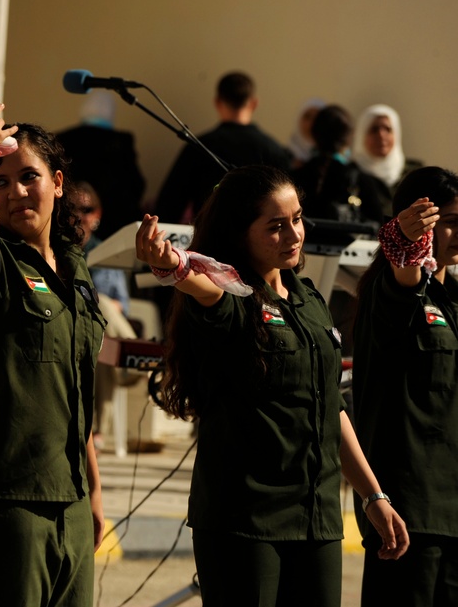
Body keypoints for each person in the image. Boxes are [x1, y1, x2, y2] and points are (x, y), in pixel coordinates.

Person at [136, 165, 408, 606]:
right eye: (276, 226)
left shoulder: (309, 300)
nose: (294, 235)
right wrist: (171, 265)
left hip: (316, 517)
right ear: (240, 232)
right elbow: (203, 286)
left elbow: (330, 408)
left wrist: (372, 494)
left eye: (297, 219)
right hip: (245, 520)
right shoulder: (232, 293)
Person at [0, 96, 105, 606]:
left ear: (58, 183)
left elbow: (72, 388)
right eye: (1, 181)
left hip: (70, 497)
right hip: (5, 498)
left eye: (29, 177)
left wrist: (94, 492)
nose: (15, 192)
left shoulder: (76, 269)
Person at [352, 166, 458, 607]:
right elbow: (404, 280)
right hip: (411, 514)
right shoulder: (394, 289)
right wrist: (404, 244)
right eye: (447, 221)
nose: (456, 233)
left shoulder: (453, 298)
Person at [155, 71, 291, 223]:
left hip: (209, 240)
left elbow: (169, 204)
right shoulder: (273, 150)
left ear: (218, 102)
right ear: (254, 103)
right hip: (260, 243)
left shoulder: (199, 147)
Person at [72, 181, 140, 451]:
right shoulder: (57, 247)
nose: (79, 215)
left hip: (100, 331)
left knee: (103, 347)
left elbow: (123, 304)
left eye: (86, 209)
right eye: (72, 208)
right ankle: (134, 359)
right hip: (71, 323)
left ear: (97, 215)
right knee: (99, 307)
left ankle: (95, 431)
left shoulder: (108, 251)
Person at [57, 90, 145, 239]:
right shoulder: (120, 143)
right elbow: (136, 185)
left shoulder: (64, 139)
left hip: (68, 222)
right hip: (114, 227)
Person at [292, 104, 383, 228]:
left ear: (314, 135)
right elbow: (378, 227)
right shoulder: (361, 180)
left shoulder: (294, 177)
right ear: (349, 138)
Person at [353, 104, 423, 220]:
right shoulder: (350, 174)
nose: (381, 135)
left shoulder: (414, 173)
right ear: (362, 135)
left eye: (388, 129)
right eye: (374, 130)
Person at [288, 97, 326, 168]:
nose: (311, 123)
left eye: (317, 118)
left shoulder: (329, 161)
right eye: (307, 117)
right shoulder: (284, 155)